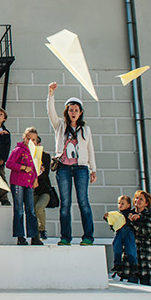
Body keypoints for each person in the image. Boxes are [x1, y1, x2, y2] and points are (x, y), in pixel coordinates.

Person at [47, 82, 97, 246]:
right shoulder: (60, 125)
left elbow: (90, 149)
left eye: (76, 110)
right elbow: (50, 113)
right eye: (70, 110)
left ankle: (88, 236)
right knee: (65, 203)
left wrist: (93, 169)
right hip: (63, 168)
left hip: (81, 168)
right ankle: (65, 237)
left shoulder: (86, 129)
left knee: (83, 201)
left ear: (80, 112)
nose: (73, 113)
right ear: (67, 112)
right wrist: (51, 94)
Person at [6, 127, 42, 246]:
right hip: (18, 182)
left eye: (34, 139)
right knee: (19, 210)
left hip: (29, 183)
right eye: (28, 139)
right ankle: (20, 236)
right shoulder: (18, 149)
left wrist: (36, 178)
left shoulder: (35, 152)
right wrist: (22, 167)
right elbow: (9, 163)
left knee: (31, 210)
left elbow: (36, 167)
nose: (31, 141)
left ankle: (34, 236)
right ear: (24, 138)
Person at [127, 190, 151, 285]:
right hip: (131, 251)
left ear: (146, 203)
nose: (137, 200)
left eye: (141, 199)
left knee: (145, 282)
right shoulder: (128, 215)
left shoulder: (149, 217)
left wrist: (135, 222)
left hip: (144, 252)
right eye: (136, 198)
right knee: (131, 281)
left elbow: (145, 232)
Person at [32, 136, 54, 240]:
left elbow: (45, 174)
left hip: (44, 189)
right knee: (32, 211)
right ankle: (35, 233)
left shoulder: (45, 156)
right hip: (32, 189)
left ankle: (42, 230)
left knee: (39, 207)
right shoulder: (27, 156)